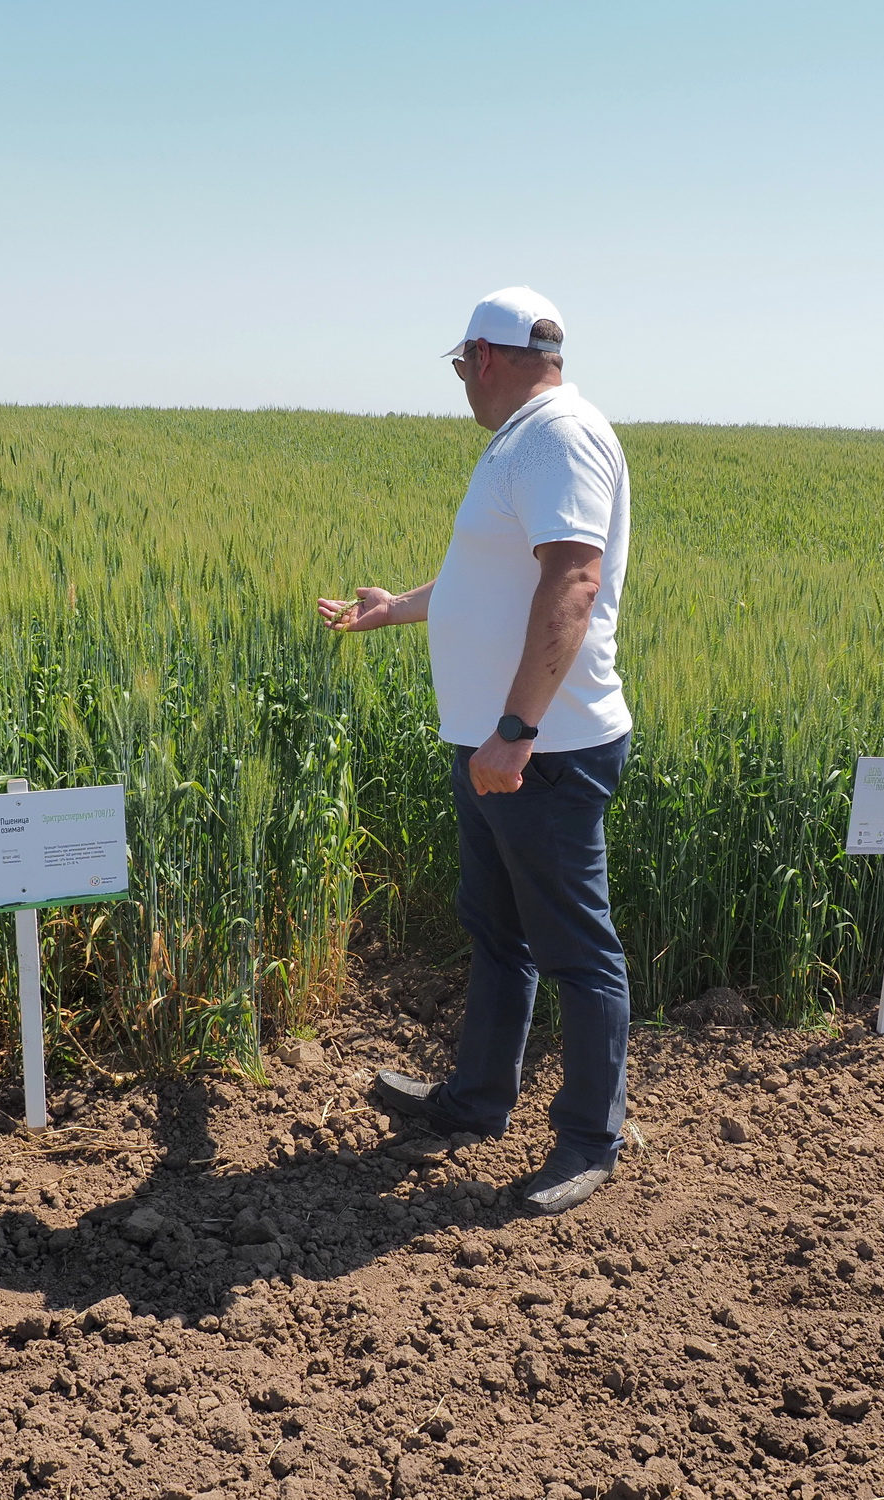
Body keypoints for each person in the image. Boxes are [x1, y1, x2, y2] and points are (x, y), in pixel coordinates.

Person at [316, 286, 632, 1215]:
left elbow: (573, 581)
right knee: (498, 936)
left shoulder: (558, 436)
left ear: (484, 359)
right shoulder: (527, 437)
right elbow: (486, 581)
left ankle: (587, 1140)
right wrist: (400, 607)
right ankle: (477, 1103)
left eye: (461, 367)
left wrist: (518, 730)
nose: (462, 383)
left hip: (545, 750)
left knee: (577, 949)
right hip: (500, 748)